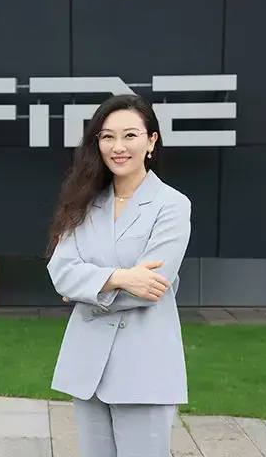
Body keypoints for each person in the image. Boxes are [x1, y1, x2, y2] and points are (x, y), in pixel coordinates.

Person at [45, 93, 192, 457]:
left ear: (151, 141)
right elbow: (61, 271)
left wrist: (86, 286)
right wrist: (121, 278)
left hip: (144, 365)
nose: (118, 147)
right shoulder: (84, 201)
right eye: (108, 136)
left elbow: (152, 287)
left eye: (130, 135)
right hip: (87, 364)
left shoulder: (172, 205)